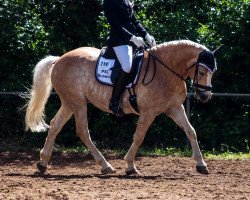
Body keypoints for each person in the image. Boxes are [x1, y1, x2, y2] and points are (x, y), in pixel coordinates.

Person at [103, 0, 156, 117]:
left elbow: (134, 21)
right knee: (127, 66)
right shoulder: (109, 2)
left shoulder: (126, 1)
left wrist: (146, 35)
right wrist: (133, 38)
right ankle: (114, 102)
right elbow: (115, 25)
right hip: (118, 41)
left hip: (132, 42)